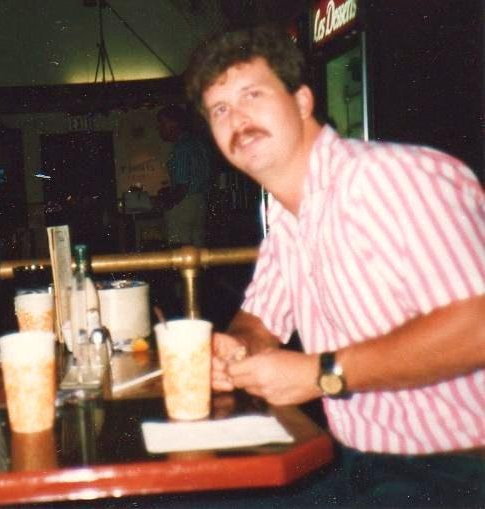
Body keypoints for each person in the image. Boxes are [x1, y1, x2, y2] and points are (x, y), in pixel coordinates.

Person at [185, 26, 484, 506]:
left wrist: (321, 373)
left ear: (302, 101)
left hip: (459, 470)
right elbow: (259, 321)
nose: (237, 119)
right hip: (359, 463)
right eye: (220, 110)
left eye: (252, 95)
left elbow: (476, 327)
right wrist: (237, 348)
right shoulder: (289, 213)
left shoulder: (390, 178)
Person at [156, 104, 212, 247]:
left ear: (174, 124)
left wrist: (166, 204)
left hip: (184, 205)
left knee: (179, 251)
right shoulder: (198, 143)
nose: (159, 128)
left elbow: (182, 186)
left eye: (162, 123)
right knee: (197, 250)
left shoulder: (181, 147)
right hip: (200, 203)